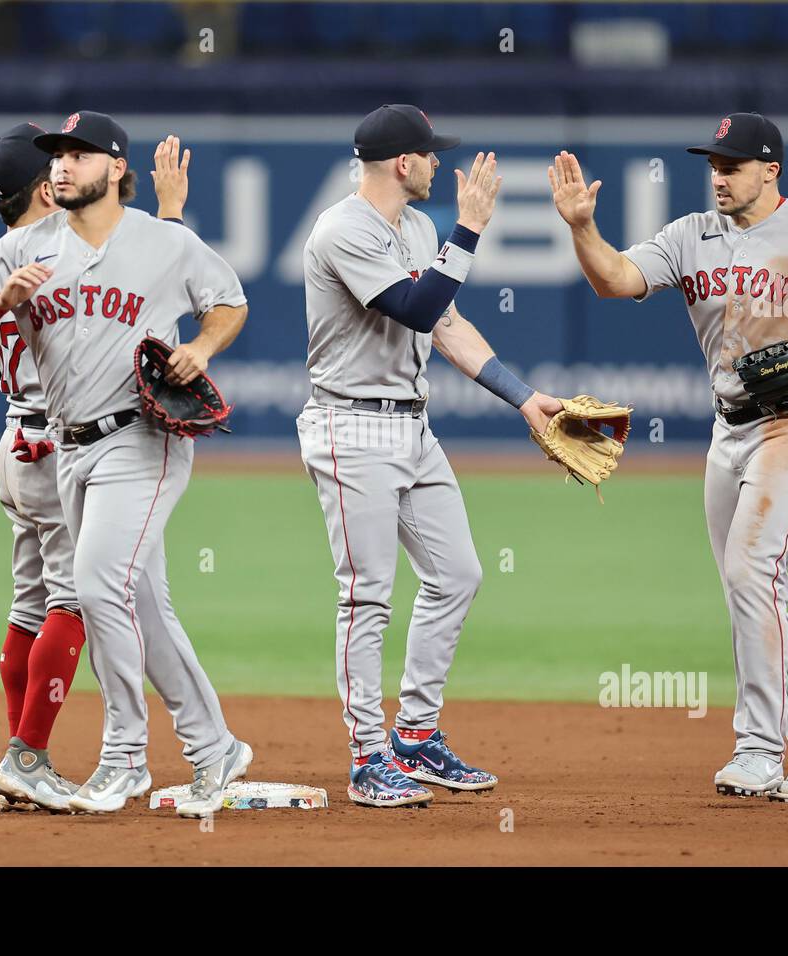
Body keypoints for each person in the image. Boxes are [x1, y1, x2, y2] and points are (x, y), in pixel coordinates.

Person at [548, 112, 788, 802]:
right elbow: (617, 280)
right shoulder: (690, 236)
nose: (719, 176)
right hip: (730, 432)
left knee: (752, 571)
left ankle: (756, 749)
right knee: (752, 588)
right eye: (713, 165)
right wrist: (579, 227)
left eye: (733, 166)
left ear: (770, 170)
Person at [0, 112, 252, 817]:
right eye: (55, 155)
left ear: (115, 168)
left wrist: (201, 348)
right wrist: (1, 300)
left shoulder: (163, 242)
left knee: (95, 584)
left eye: (78, 155)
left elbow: (229, 302)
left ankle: (124, 758)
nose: (61, 165)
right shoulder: (25, 247)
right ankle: (214, 747)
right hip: (69, 449)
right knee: (144, 605)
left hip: (141, 440)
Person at [297, 104, 564, 808]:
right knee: (367, 594)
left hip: (411, 427)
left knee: (458, 574)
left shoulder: (415, 227)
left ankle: (414, 736)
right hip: (348, 426)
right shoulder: (342, 229)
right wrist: (471, 227)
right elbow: (414, 307)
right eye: (431, 155)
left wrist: (523, 398)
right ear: (401, 163)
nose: (442, 165)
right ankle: (366, 756)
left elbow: (445, 323)